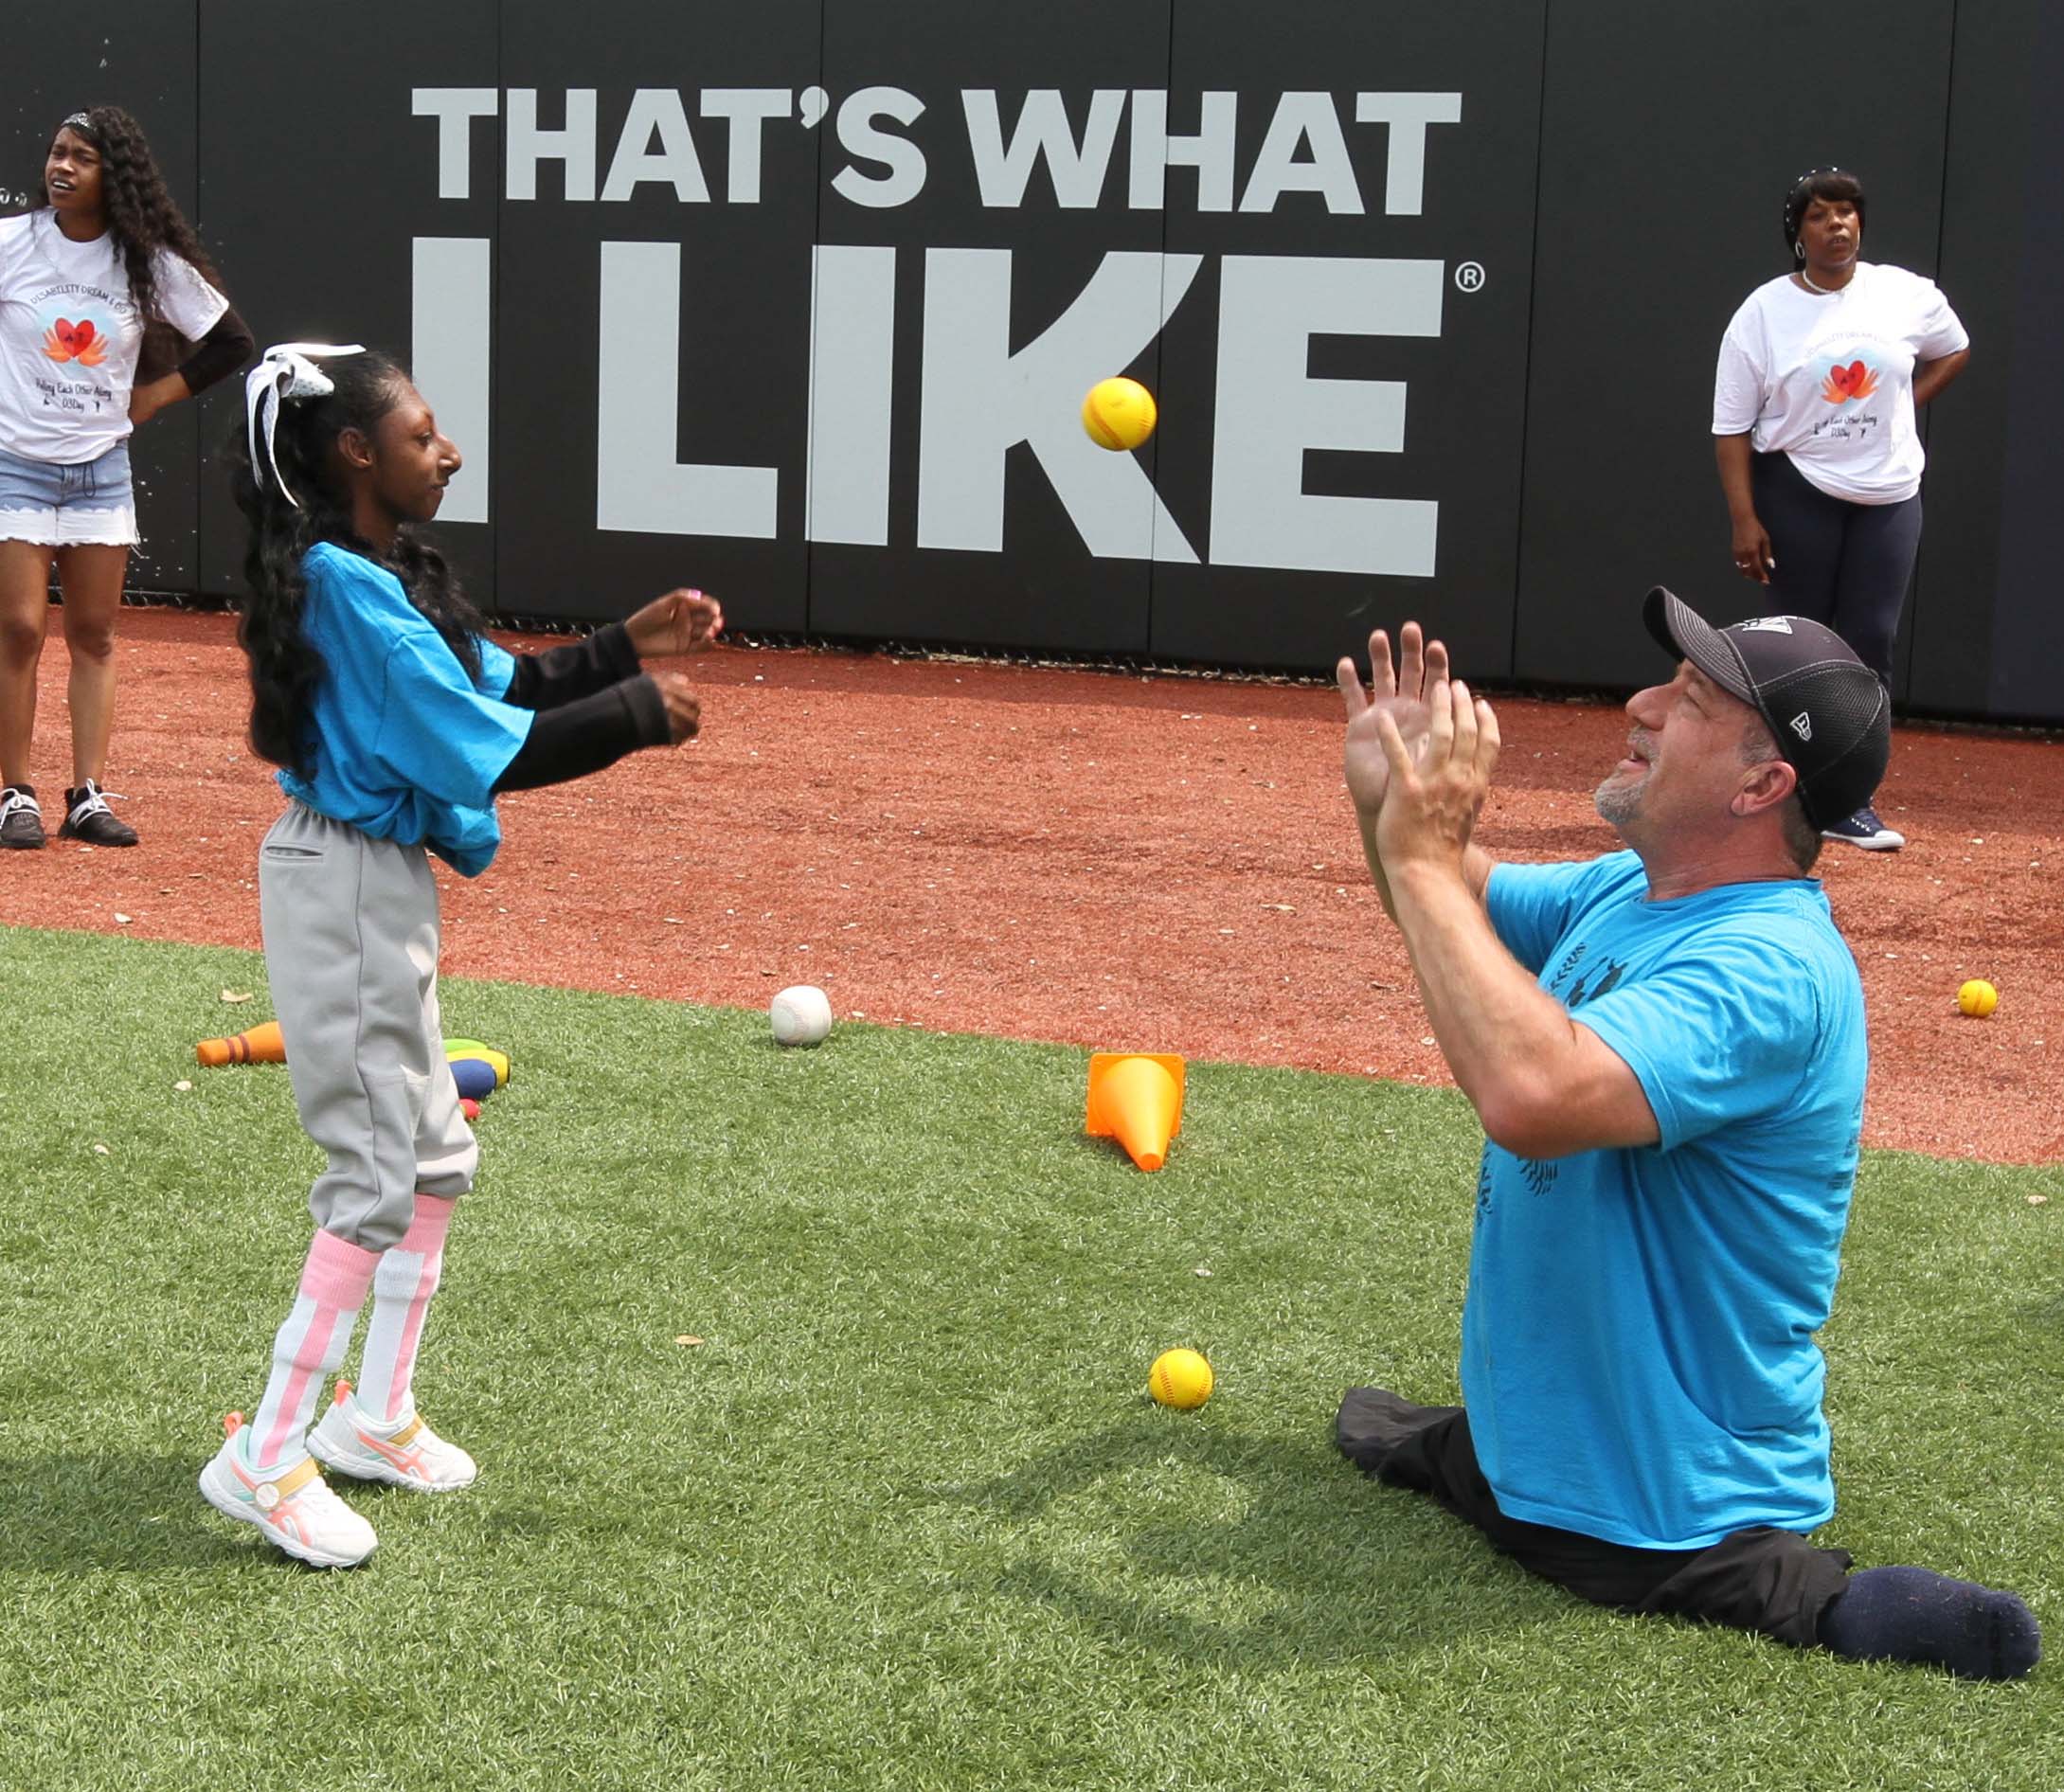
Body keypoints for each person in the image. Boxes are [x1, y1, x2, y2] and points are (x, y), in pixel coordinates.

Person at [1330, 597, 2040, 1682]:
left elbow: (1531, 1090)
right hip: (1534, 1455)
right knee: (1444, 1449)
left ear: (1762, 786)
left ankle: (1833, 1597)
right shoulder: (1633, 886)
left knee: (1753, 1582)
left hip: (1665, 1509)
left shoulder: (1769, 967)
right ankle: (1483, 1451)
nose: (1641, 704)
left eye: (1690, 701)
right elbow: (1454, 904)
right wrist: (1393, 816)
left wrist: (1424, 862)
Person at [198, 343, 724, 1568]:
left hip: (371, 884)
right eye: (424, 433)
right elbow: (473, 750)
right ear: (355, 453)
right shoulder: (343, 584)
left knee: (432, 1157)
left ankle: (372, 1418)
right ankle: (266, 1454)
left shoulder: (374, 573)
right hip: (341, 888)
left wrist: (615, 649)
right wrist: (630, 719)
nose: (449, 450)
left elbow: (500, 687)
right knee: (377, 1172)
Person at [0, 106, 254, 849]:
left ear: (118, 178)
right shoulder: (12, 244)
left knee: (95, 634)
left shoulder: (145, 262)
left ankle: (87, 795)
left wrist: (150, 398)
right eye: (57, 153)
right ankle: (14, 792)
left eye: (82, 158)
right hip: (15, 463)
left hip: (99, 472)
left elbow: (230, 342)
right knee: (17, 628)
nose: (62, 167)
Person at [1712, 165, 1969, 852]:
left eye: (1848, 212)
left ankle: (1849, 800)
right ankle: (1763, 792)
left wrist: (1900, 406)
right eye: (1821, 214)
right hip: (1795, 488)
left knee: (1868, 645)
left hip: (1888, 496)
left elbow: (1954, 348)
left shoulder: (1902, 294)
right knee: (1792, 645)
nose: (1837, 225)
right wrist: (1744, 517)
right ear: (1797, 233)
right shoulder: (1763, 311)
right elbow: (1730, 427)